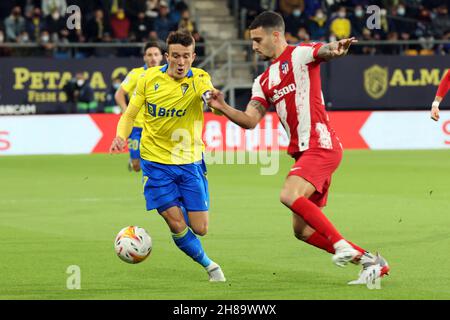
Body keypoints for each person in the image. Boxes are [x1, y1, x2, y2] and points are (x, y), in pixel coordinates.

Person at [208, 11, 389, 287]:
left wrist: (336, 49)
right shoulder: (263, 81)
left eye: (258, 39)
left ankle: (341, 244)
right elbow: (250, 120)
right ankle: (371, 262)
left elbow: (325, 51)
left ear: (276, 35)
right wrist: (223, 107)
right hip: (305, 153)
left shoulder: (301, 54)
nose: (254, 46)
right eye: (252, 41)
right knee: (302, 230)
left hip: (321, 143)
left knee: (288, 194)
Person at [110, 30, 226, 282]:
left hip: (189, 162)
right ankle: (210, 266)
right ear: (166, 56)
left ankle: (177, 205)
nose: (181, 62)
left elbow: (209, 96)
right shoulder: (148, 78)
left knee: (200, 228)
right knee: (175, 223)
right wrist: (121, 134)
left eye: (186, 56)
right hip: (155, 163)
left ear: (194, 56)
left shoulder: (200, 79)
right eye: (175, 56)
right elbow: (130, 114)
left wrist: (214, 102)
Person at [114, 42, 164, 173]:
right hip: (136, 127)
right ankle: (133, 162)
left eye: (156, 54)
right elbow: (119, 94)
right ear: (144, 57)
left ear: (161, 57)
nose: (153, 58)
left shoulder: (166, 75)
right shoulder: (136, 74)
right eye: (149, 55)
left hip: (156, 127)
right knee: (137, 166)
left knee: (156, 162)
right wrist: (126, 112)